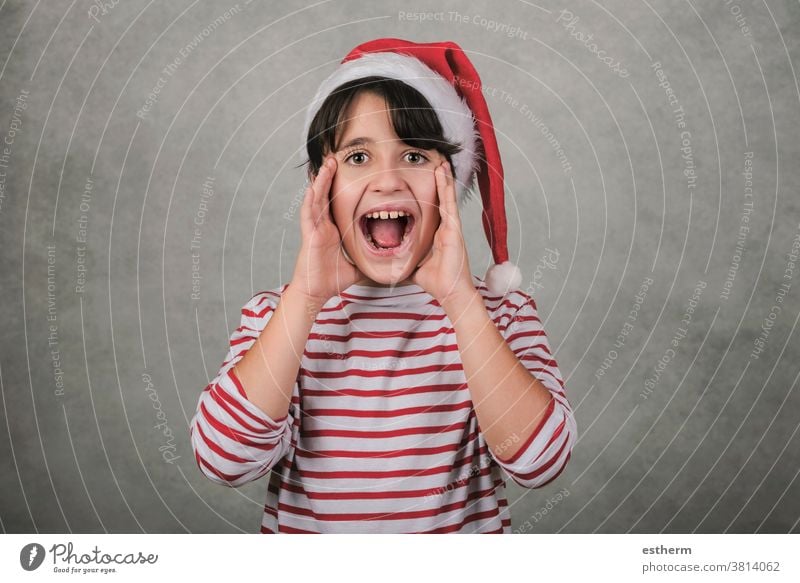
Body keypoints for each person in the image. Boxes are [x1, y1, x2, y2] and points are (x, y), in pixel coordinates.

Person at [189, 38, 577, 534]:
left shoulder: (502, 315)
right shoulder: (276, 317)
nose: (388, 181)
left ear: (452, 182)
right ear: (319, 184)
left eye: (414, 156)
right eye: (357, 158)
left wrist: (461, 301)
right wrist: (305, 299)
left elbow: (540, 463)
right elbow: (224, 461)